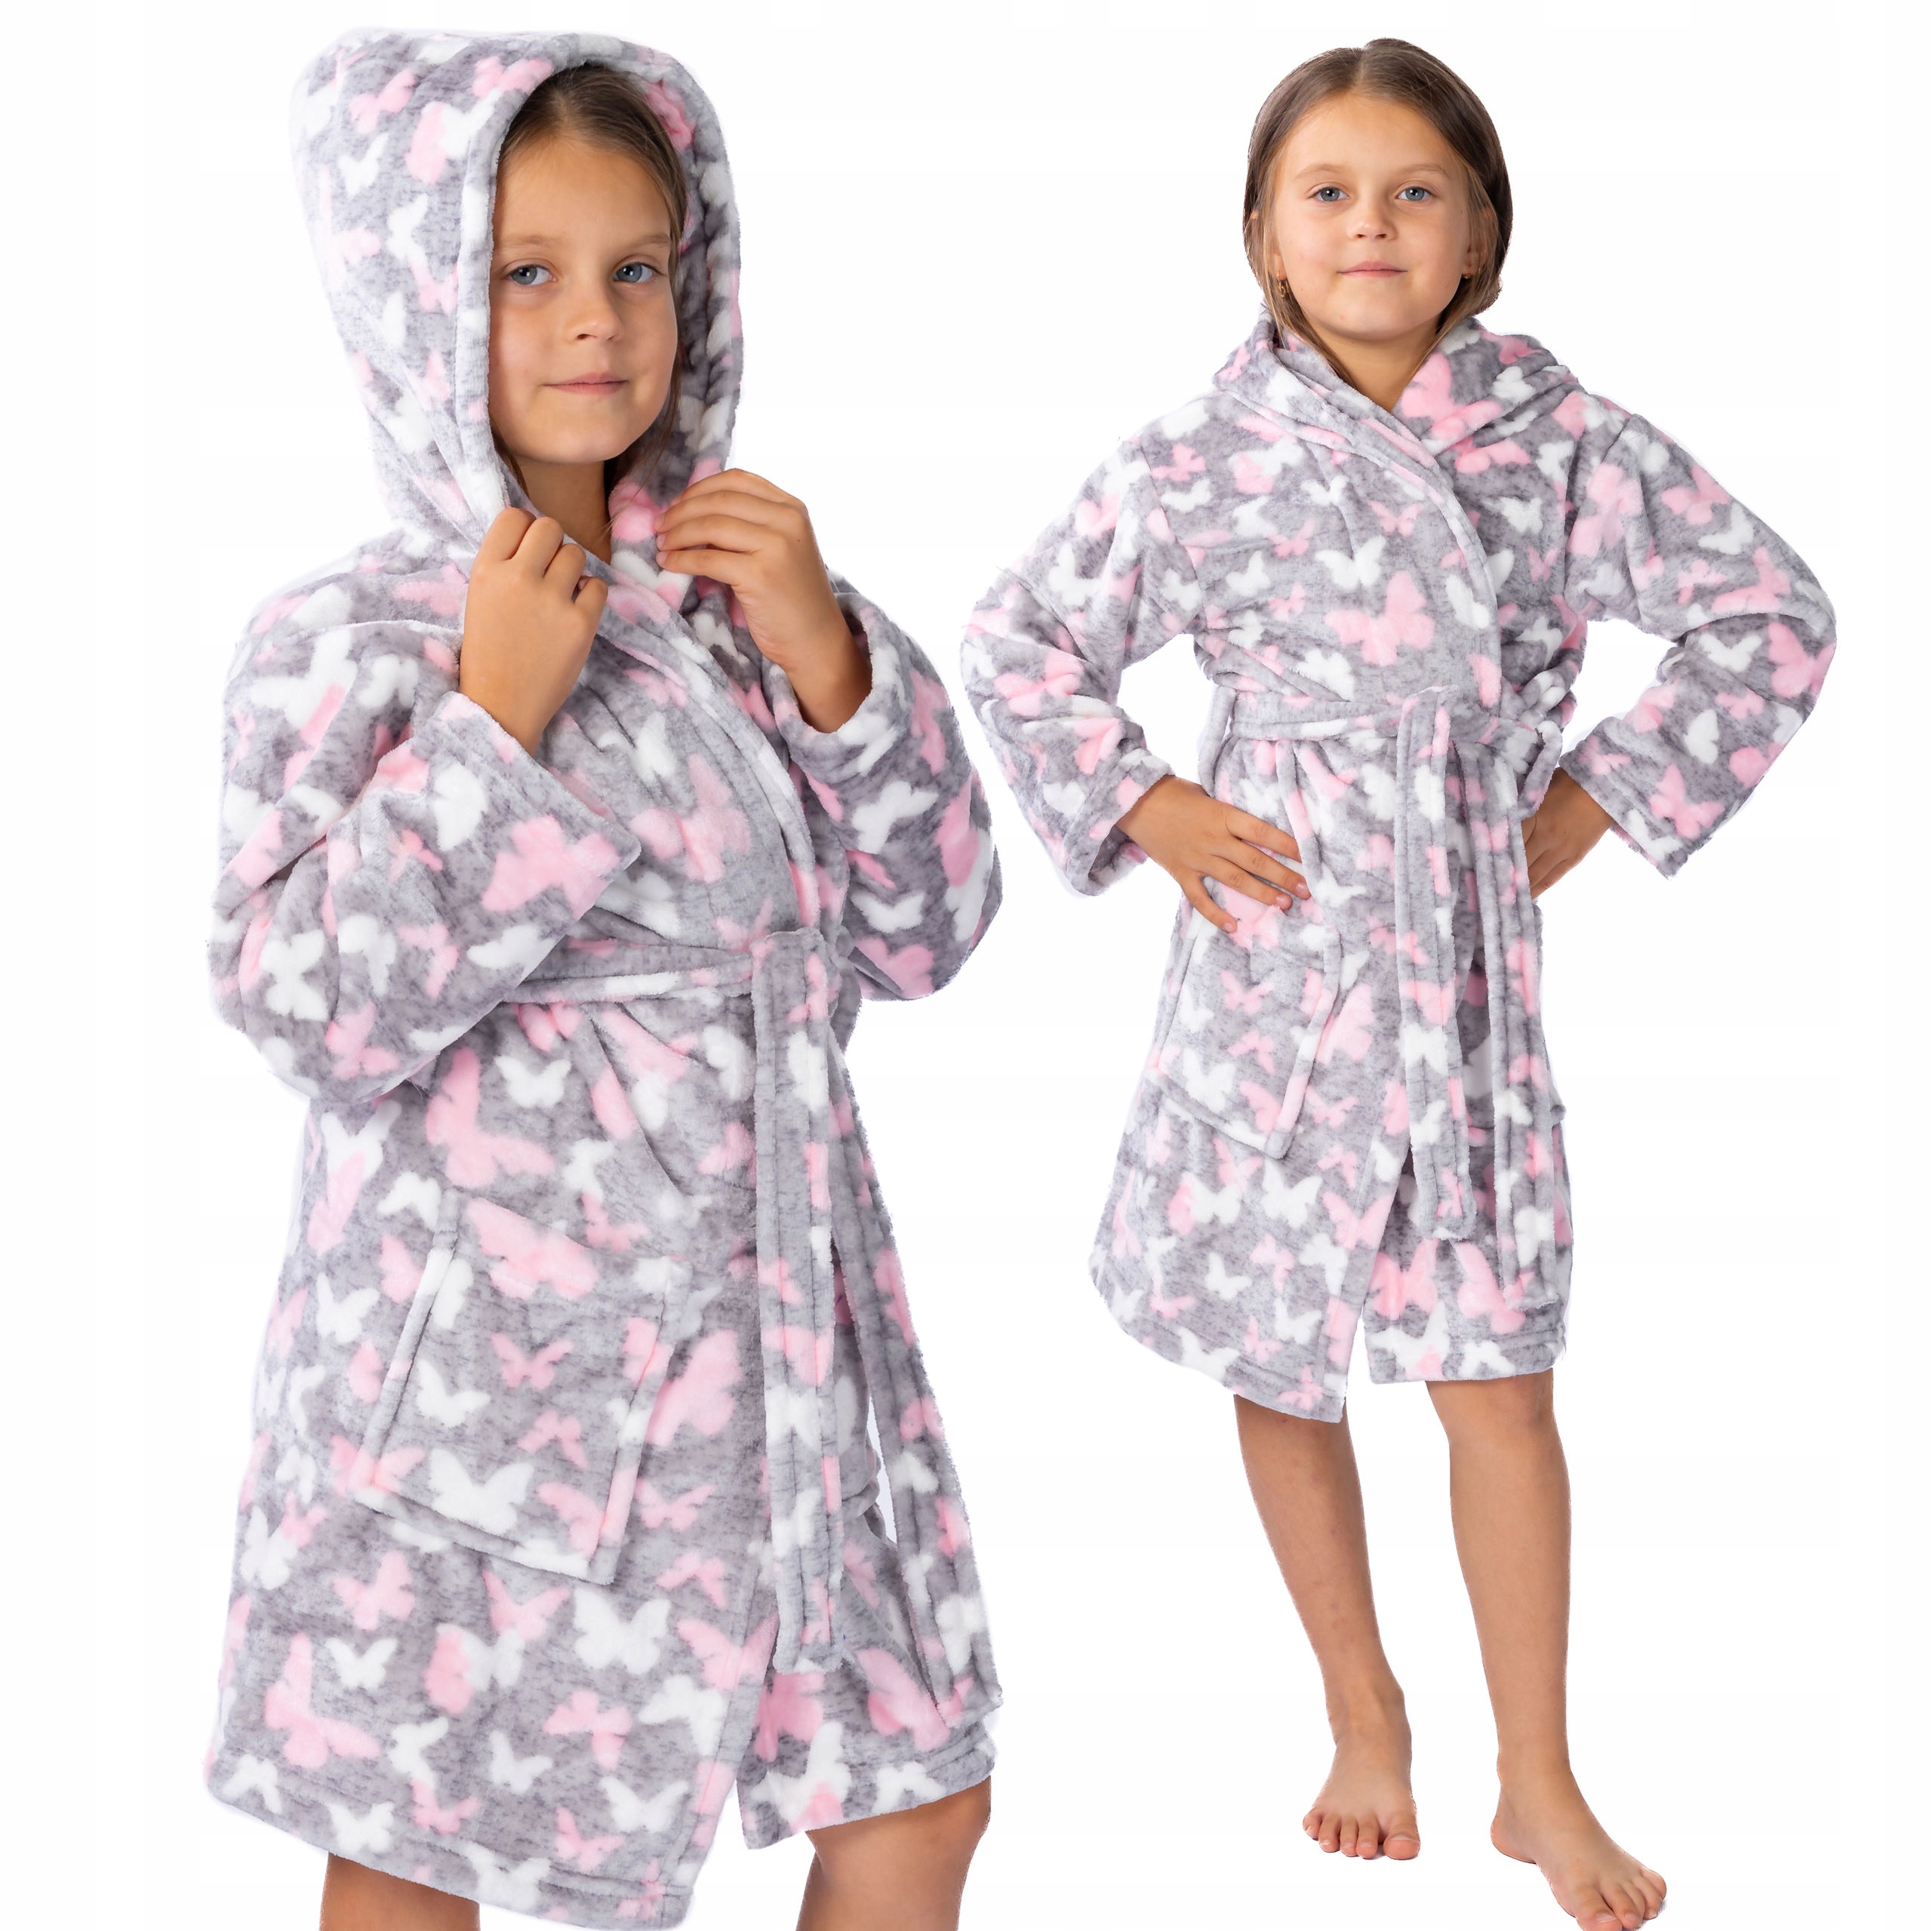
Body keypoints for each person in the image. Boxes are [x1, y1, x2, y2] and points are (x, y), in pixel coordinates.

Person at [962, 36, 1832, 1931]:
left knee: (1496, 1377)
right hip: (1272, 969)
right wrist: (1146, 803)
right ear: (1262, 238)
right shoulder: (1202, 455)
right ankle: (1361, 1705)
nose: (1370, 224)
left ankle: (1536, 1769)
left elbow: (1772, 615)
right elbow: (1017, 636)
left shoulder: (1562, 442)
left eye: (1413, 192)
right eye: (1327, 192)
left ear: (1477, 237)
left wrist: (1585, 804)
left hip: (1460, 981)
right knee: (1275, 1349)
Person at [205, 30, 999, 1930]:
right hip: (500, 1389)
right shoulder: (349, 637)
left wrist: (831, 659)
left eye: (638, 266)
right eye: (525, 272)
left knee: (913, 1801)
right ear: (415, 295)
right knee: (435, 1842)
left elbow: (926, 930)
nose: (595, 321)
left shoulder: (745, 606)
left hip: (793, 1359)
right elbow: (304, 1008)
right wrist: (488, 723)